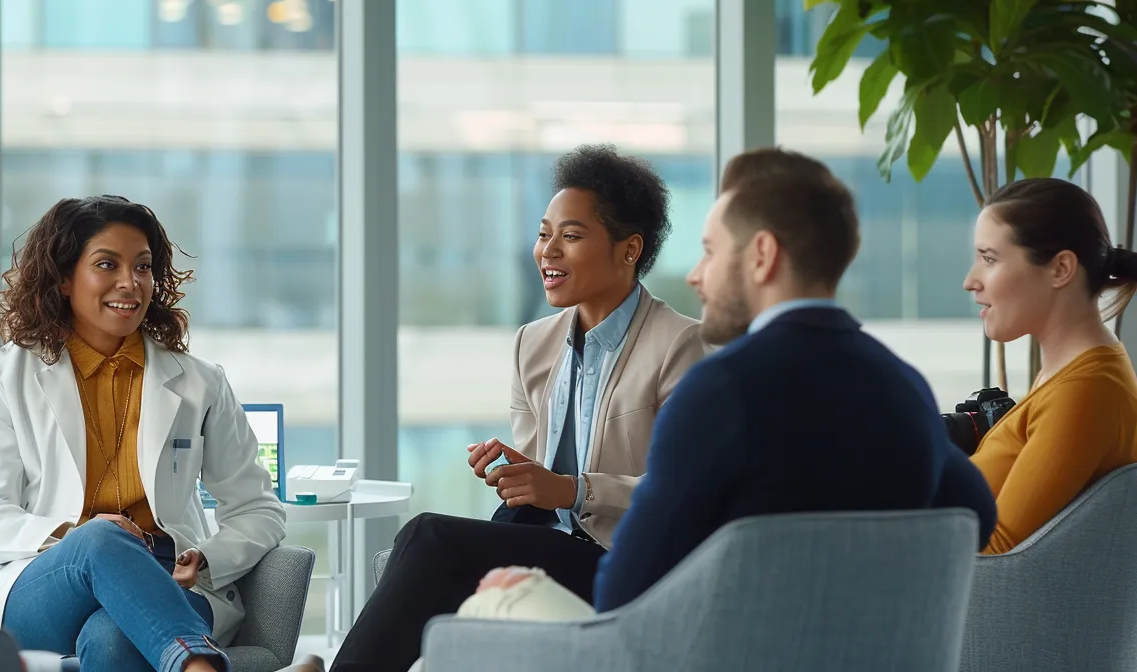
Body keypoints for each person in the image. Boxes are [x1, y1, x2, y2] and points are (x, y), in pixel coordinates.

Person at [330, 145, 708, 672]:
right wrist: (515, 471)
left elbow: (687, 495)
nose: (547, 251)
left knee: (428, 537)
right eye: (543, 233)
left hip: (622, 561)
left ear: (629, 249)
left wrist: (574, 489)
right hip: (544, 544)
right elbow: (536, 481)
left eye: (571, 236)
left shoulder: (681, 345)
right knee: (422, 548)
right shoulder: (534, 343)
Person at [590, 147, 997, 611]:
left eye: (709, 251)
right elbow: (975, 517)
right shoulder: (905, 387)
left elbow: (623, 595)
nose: (695, 276)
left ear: (762, 255)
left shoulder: (718, 391)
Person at [0, 195, 287, 672]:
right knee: (101, 541)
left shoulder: (200, 382)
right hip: (42, 583)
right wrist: (76, 534)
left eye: (143, 267)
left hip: (167, 578)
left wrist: (205, 557)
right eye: (107, 264)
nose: (131, 283)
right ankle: (198, 666)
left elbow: (257, 508)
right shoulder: (1, 376)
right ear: (62, 277)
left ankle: (187, 661)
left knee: (116, 638)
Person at [963, 178, 1137, 554]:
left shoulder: (1087, 390)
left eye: (989, 259)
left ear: (1061, 269)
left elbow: (996, 554)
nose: (970, 281)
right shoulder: (1068, 375)